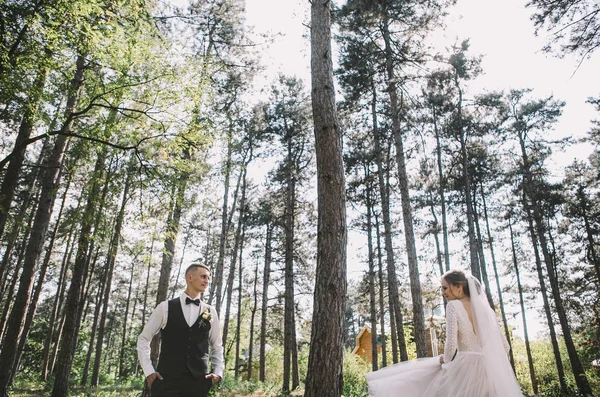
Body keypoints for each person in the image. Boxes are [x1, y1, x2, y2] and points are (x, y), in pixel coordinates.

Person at [366, 269, 523, 397]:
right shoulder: (487, 311)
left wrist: (446, 362)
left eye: (445, 288)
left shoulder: (454, 306)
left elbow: (451, 345)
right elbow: (505, 346)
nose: (442, 292)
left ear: (458, 288)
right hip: (489, 373)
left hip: (464, 369)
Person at [137, 263, 224, 397]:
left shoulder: (210, 311)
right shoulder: (165, 307)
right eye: (203, 277)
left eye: (208, 278)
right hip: (166, 382)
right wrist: (148, 371)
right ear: (190, 277)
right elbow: (143, 339)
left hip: (198, 383)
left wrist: (218, 372)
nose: (207, 281)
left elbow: (217, 346)